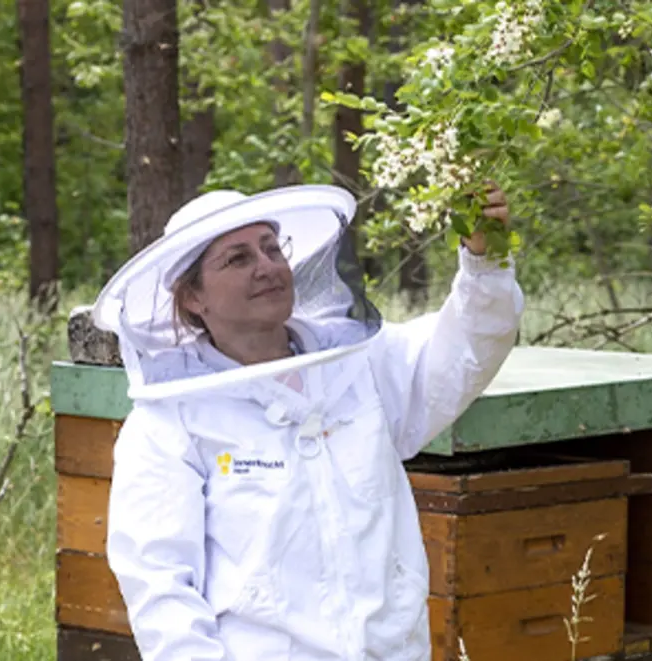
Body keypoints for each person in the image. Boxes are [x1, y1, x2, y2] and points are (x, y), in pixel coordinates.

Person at [92, 183, 524, 660]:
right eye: (237, 259)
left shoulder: (361, 365)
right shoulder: (168, 422)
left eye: (272, 248)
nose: (267, 267)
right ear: (193, 297)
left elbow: (467, 350)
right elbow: (161, 588)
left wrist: (484, 260)